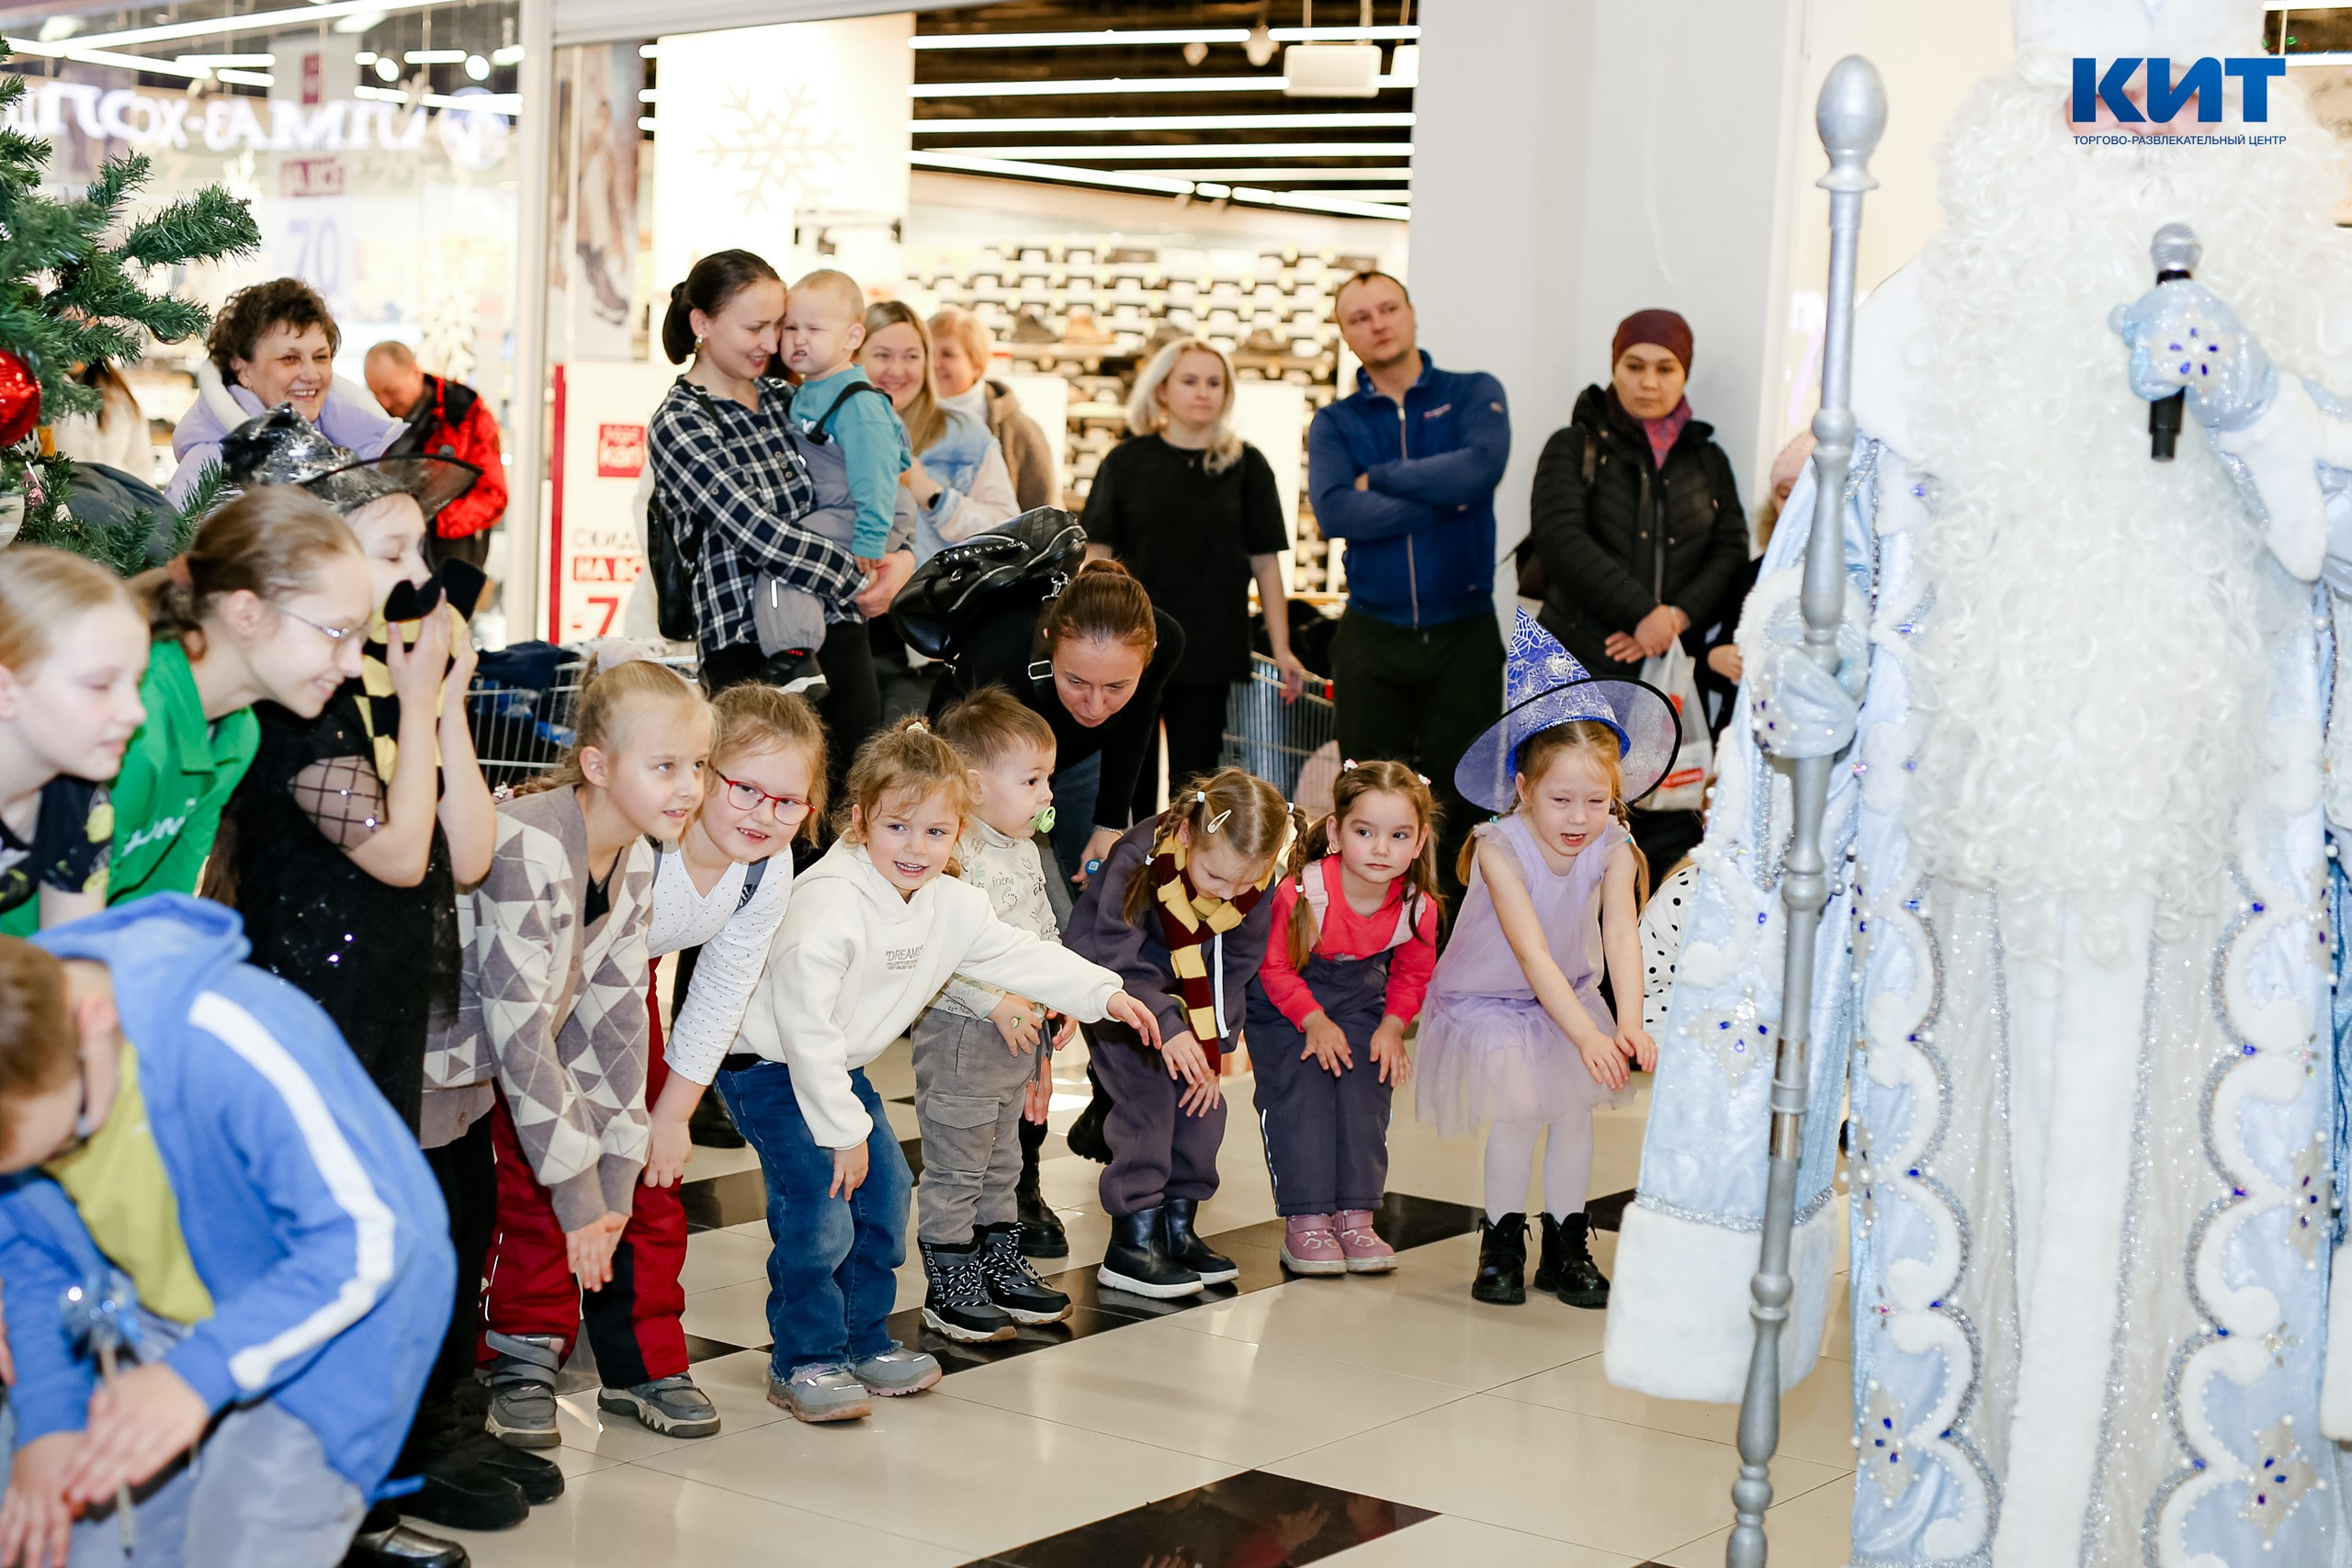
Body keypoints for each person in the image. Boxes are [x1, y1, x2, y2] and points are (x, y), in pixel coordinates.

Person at [1611, 6, 2352, 1557]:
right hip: (1968, 920)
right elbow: (1801, 686)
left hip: (2245, 945)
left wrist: (2267, 414)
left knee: (2213, 1363)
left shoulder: (2327, 304)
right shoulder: (1924, 325)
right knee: (1967, 1348)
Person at [723, 718, 1161, 1422]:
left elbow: (1021, 954)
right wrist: (843, 1130)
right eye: (900, 827)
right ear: (861, 820)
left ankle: (863, 1341)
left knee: (886, 1197)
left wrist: (1105, 991)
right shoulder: (828, 904)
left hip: (840, 1068)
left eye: (937, 832)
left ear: (960, 832)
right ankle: (803, 1358)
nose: (918, 849)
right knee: (819, 1212)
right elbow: (805, 1032)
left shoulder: (948, 901)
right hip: (771, 1069)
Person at [0, 898, 455, 1568]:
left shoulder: (226, 1032)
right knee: (77, 1541)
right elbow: (31, 1250)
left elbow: (371, 1237)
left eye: (68, 1138)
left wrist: (197, 1373)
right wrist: (47, 1421)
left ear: (92, 1022)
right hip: (153, 1315)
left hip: (332, 1331)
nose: (51, 1168)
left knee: (239, 1544)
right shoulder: (30, 1074)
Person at [440, 662, 710, 1451]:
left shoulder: (632, 865)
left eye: (696, 766)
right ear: (597, 765)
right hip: (414, 1072)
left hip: (469, 1085)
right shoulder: (527, 847)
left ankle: (452, 1432)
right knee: (445, 1243)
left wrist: (614, 1188)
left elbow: (617, 1039)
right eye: (665, 766)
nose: (689, 787)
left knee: (460, 1237)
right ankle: (436, 1438)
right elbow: (526, 1040)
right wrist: (576, 1195)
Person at [1422, 611, 1675, 1311]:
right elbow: (1530, 951)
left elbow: (1622, 931)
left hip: (1569, 991)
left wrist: (1627, 1021)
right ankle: (1501, 1237)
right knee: (1523, 1104)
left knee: (1574, 1111)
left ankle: (1569, 1239)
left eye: (1596, 800)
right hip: (1490, 998)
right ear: (1523, 788)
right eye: (1561, 799)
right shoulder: (1500, 848)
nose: (1578, 817)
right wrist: (1589, 1035)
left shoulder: (1613, 842)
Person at [2, 489, 374, 941]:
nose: (354, 664)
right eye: (338, 632)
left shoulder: (239, 733)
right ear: (245, 612)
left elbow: (166, 904)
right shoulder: (127, 733)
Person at [617, 683, 826, 1438]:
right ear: (701, 775)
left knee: (648, 1177)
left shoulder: (766, 870)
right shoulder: (644, 843)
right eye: (745, 788)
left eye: (788, 801)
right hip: (541, 983)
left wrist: (672, 1113)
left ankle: (646, 1361)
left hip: (625, 987)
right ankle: (512, 1355)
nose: (763, 816)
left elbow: (719, 989)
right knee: (523, 1177)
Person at [1306, 270, 1509, 905]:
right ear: (1346, 334)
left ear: (1412, 314)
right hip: (1373, 632)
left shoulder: (1473, 391)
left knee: (1463, 799)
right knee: (1372, 805)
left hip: (1464, 631)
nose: (1378, 323)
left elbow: (1480, 469)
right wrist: (1444, 499)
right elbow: (1337, 513)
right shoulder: (1336, 423)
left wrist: (1383, 479)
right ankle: (1373, 947)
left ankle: (1447, 951)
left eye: (1387, 308)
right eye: (1360, 317)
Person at [1525, 309, 1751, 871]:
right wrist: (1641, 613)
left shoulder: (1708, 459)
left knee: (1660, 832)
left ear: (1684, 375)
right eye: (1635, 365)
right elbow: (1561, 540)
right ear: (1614, 366)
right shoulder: (1572, 444)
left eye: (1665, 368)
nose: (1649, 382)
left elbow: (1731, 550)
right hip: (1575, 667)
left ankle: (1638, 956)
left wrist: (1670, 620)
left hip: (1665, 679)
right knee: (1567, 831)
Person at [1067, 767, 1294, 1300]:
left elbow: (1235, 964)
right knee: (1150, 1103)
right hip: (1115, 991)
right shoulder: (1138, 858)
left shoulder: (1252, 882)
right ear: (1188, 835)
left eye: (1245, 883)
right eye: (1217, 880)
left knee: (1203, 1106)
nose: (1231, 893)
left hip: (1189, 1002)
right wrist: (1167, 1027)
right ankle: (1131, 1243)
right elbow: (1115, 956)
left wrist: (1213, 1043)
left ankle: (1177, 1228)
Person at [1083, 338, 1308, 822]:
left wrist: (1284, 648)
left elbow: (1266, 563)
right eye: (1189, 381)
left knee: (1197, 789)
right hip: (1128, 644)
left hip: (1209, 646)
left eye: (1214, 383)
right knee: (1127, 782)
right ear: (1162, 390)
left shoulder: (1247, 465)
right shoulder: (1125, 462)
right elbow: (1096, 551)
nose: (1203, 393)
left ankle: (1185, 884)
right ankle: (1126, 880)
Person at [910, 688, 1076, 1343]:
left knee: (1004, 1159)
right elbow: (937, 955)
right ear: (974, 786)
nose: (1046, 794)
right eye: (1031, 779)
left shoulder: (1023, 851)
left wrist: (1057, 989)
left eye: (1047, 778)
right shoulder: (949, 857)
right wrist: (995, 1001)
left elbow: (1040, 931)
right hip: (961, 1034)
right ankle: (948, 1280)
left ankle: (995, 1261)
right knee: (957, 1163)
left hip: (1017, 1037)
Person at [647, 250, 881, 694]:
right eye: (755, 328)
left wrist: (897, 554)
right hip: (749, 648)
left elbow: (864, 477)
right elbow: (759, 534)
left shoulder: (787, 398)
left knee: (860, 764)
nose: (772, 344)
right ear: (702, 324)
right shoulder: (681, 421)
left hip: (840, 630)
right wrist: (861, 579)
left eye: (779, 325)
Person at [1246, 760, 1440, 1275]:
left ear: (1419, 842)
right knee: (1303, 1100)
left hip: (1359, 1001)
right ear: (1335, 831)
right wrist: (1312, 1020)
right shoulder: (1303, 892)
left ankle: (1356, 1217)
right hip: (1286, 1004)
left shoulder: (1418, 906)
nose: (1381, 848)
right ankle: (1307, 1222)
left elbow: (1412, 976)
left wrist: (1394, 1027)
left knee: (1364, 1098)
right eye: (1364, 831)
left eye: (1399, 835)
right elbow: (1274, 966)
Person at [777, 270, 915, 787]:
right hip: (837, 527)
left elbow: (878, 478)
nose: (798, 340)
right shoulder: (800, 391)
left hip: (850, 522)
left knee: (786, 562)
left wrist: (872, 543)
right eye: (790, 328)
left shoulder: (857, 401)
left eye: (814, 328)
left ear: (852, 337)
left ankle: (794, 658)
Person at [0, 549, 148, 929]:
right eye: (100, 684)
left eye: (136, 683)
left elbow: (73, 948)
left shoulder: (79, 798)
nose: (136, 712)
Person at [165, 277, 402, 506]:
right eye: (290, 359)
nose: (311, 375)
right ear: (243, 370)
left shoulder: (355, 439)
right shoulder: (211, 465)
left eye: (321, 357)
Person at [861, 300, 1019, 564]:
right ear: (855, 356)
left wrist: (935, 497)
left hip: (939, 602)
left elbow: (1008, 533)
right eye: (883, 355)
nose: (897, 370)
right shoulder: (826, 431)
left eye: (911, 356)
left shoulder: (964, 432)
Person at [363, 341, 510, 574]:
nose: (384, 402)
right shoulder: (373, 418)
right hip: (391, 561)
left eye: (391, 391)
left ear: (415, 372)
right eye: (375, 393)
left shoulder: (465, 413)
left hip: (453, 559)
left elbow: (493, 496)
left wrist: (433, 522)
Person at [929, 306, 1061, 512]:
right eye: (928, 353)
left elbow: (1042, 516)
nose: (935, 364)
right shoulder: (905, 418)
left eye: (948, 354)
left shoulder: (1021, 431)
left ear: (976, 363)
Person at [49, 359, 151, 479]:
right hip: (62, 494)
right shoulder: (46, 396)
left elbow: (141, 469)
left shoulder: (120, 397)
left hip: (116, 494)